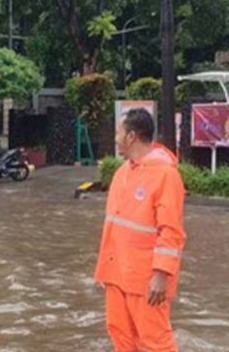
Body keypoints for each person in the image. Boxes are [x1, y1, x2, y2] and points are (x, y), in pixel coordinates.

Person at [95, 108, 186, 352]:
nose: (115, 138)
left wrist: (160, 275)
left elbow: (171, 231)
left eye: (118, 132)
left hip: (145, 279)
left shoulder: (166, 176)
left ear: (131, 136)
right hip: (116, 275)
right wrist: (106, 270)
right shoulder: (122, 173)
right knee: (121, 337)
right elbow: (115, 225)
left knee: (155, 342)